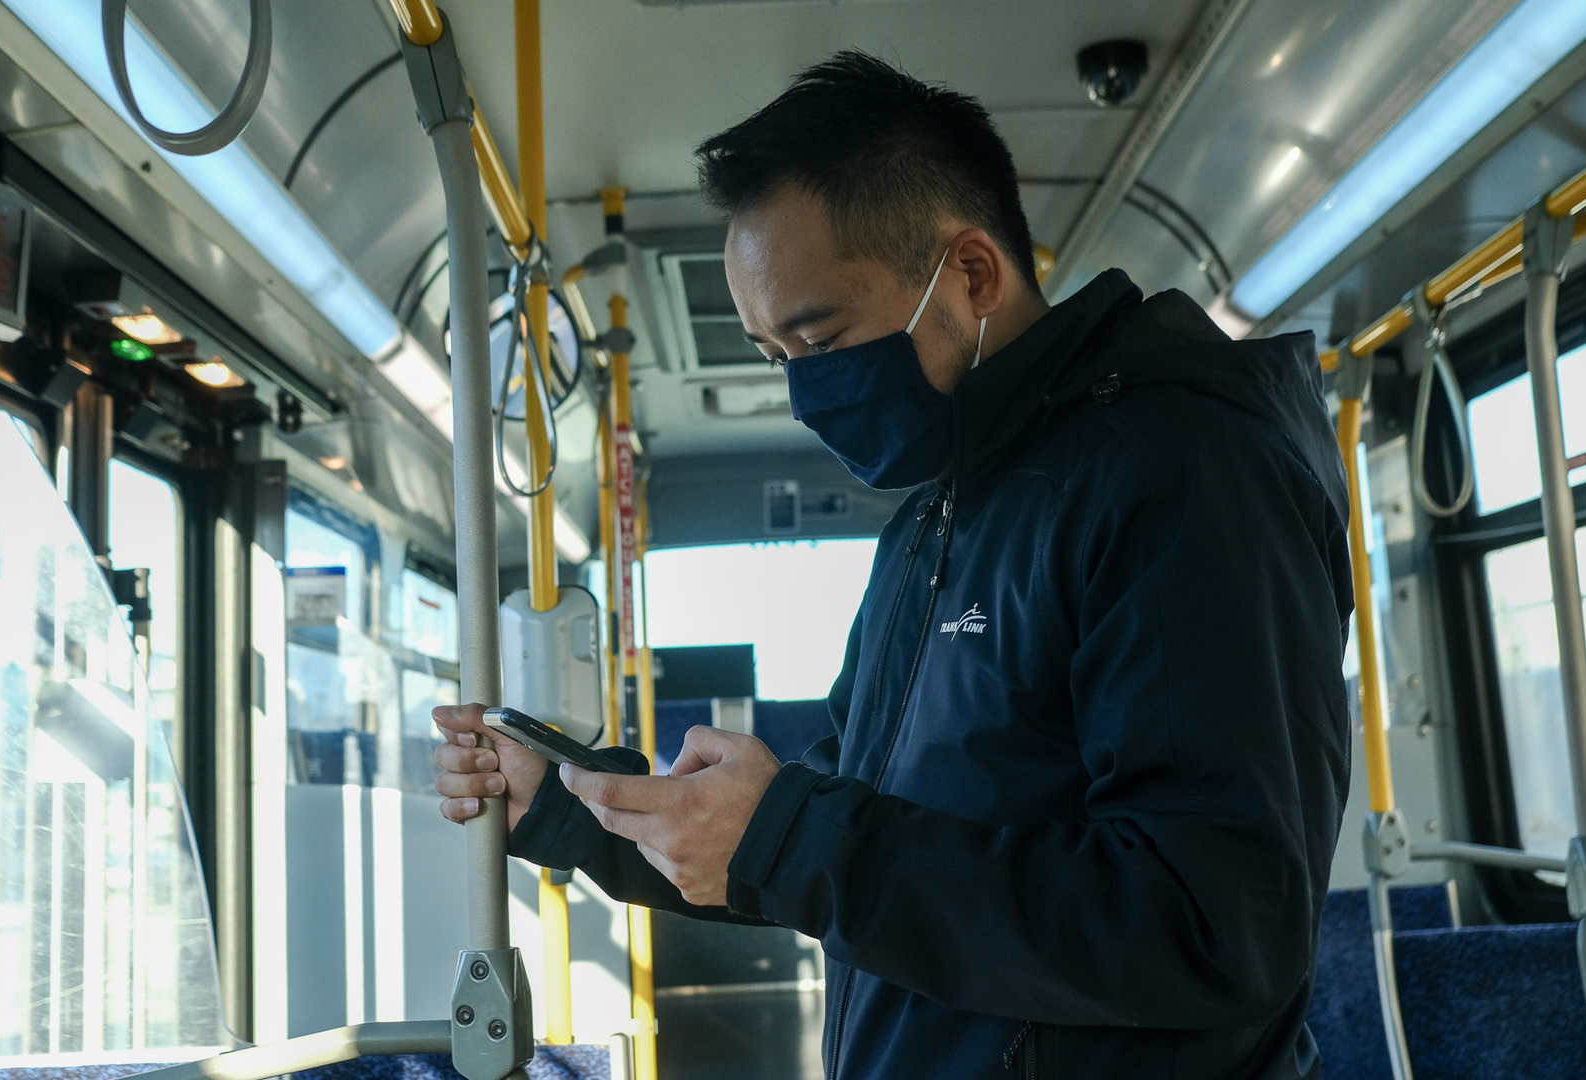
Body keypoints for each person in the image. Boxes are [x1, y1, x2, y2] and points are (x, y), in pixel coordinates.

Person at [435, 51, 1353, 1080]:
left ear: (970, 275)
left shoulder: (1180, 472)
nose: (802, 395)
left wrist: (799, 842)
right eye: (774, 358)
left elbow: (1215, 924)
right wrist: (568, 803)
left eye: (819, 339)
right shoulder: (940, 517)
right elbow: (857, 819)